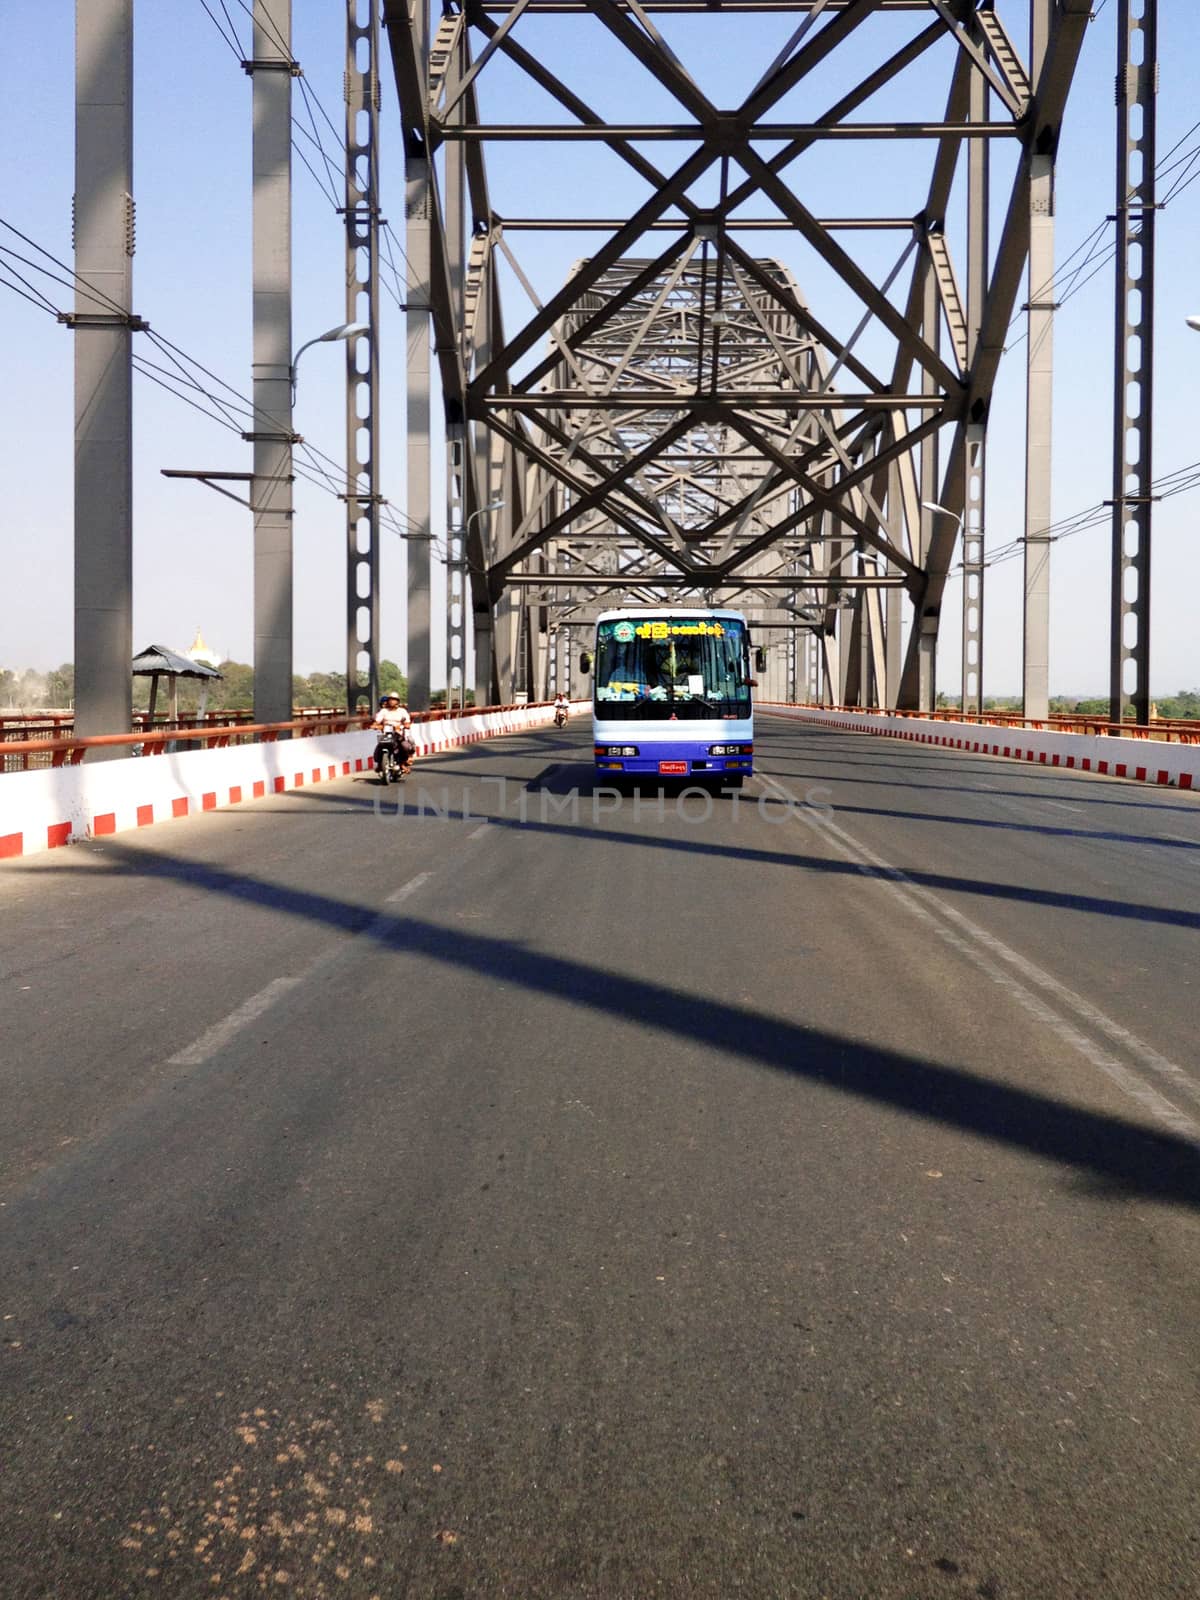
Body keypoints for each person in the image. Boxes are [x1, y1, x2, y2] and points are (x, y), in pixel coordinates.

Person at [373, 693, 415, 775]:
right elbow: (377, 721)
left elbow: (407, 722)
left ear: (397, 701)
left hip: (398, 734)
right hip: (386, 734)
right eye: (390, 699)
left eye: (394, 699)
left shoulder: (402, 711)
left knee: (405, 746)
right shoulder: (384, 711)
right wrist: (375, 725)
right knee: (379, 747)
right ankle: (379, 764)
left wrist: (404, 725)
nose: (392, 701)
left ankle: (402, 764)